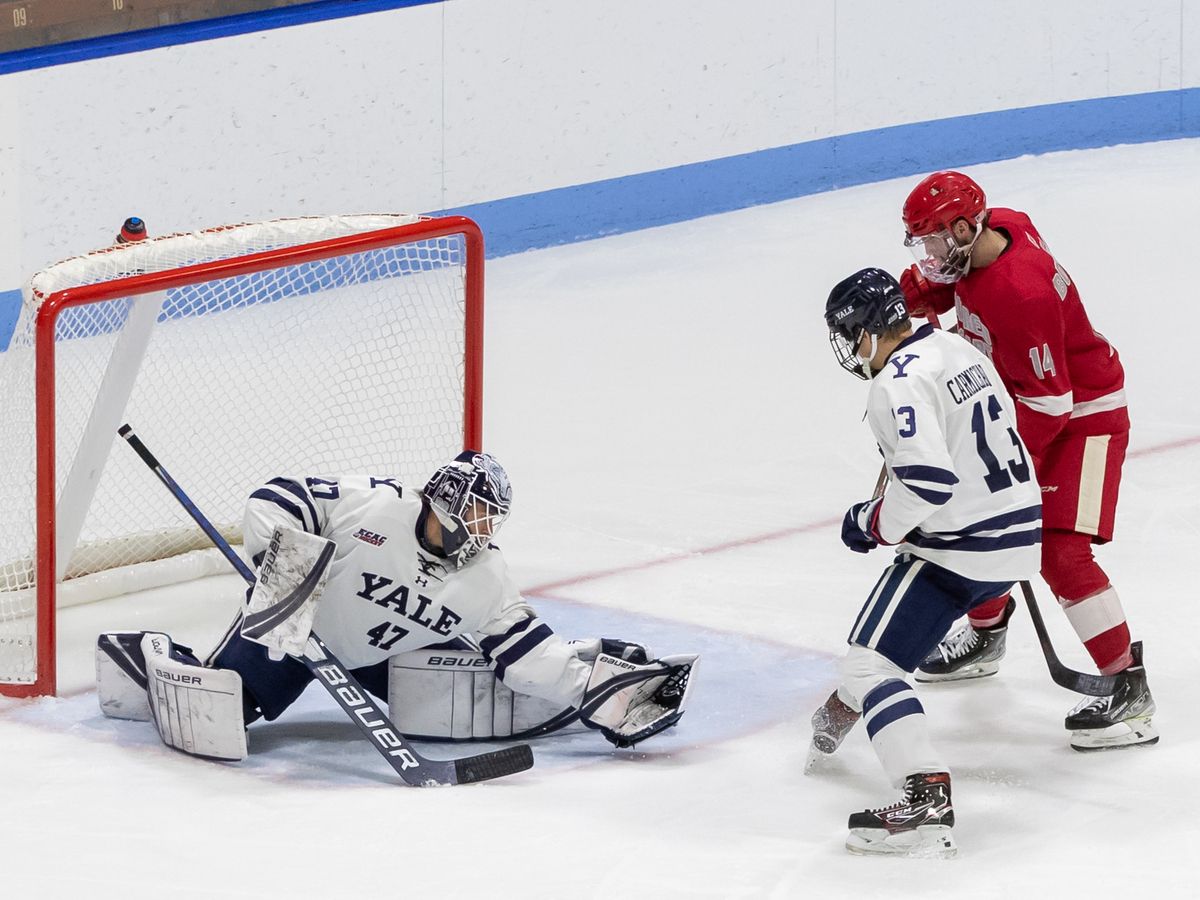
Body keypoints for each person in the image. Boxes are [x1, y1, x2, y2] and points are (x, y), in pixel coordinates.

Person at [94, 451, 697, 761]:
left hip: (386, 659)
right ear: (449, 500)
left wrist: (587, 683)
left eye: (494, 520)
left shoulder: (486, 577)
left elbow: (526, 648)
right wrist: (284, 565)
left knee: (475, 696)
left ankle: (609, 675)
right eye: (480, 512)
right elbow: (276, 497)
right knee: (217, 719)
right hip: (293, 630)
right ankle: (148, 659)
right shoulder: (373, 506)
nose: (485, 529)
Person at [898, 171, 1156, 751]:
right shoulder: (1003, 227)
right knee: (973, 519)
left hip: (1084, 419)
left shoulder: (1021, 292)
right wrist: (919, 291)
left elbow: (1051, 401)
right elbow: (965, 290)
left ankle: (1127, 689)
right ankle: (987, 635)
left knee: (1060, 551)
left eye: (937, 242)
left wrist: (1012, 468)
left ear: (966, 228)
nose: (931, 255)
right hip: (1030, 407)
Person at [810, 268, 1042, 857]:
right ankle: (848, 707)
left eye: (847, 332)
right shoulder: (954, 345)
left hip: (959, 545)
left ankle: (924, 793)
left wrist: (872, 522)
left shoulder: (894, 383)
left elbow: (931, 482)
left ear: (865, 332)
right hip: (1018, 532)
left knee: (869, 666)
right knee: (878, 657)